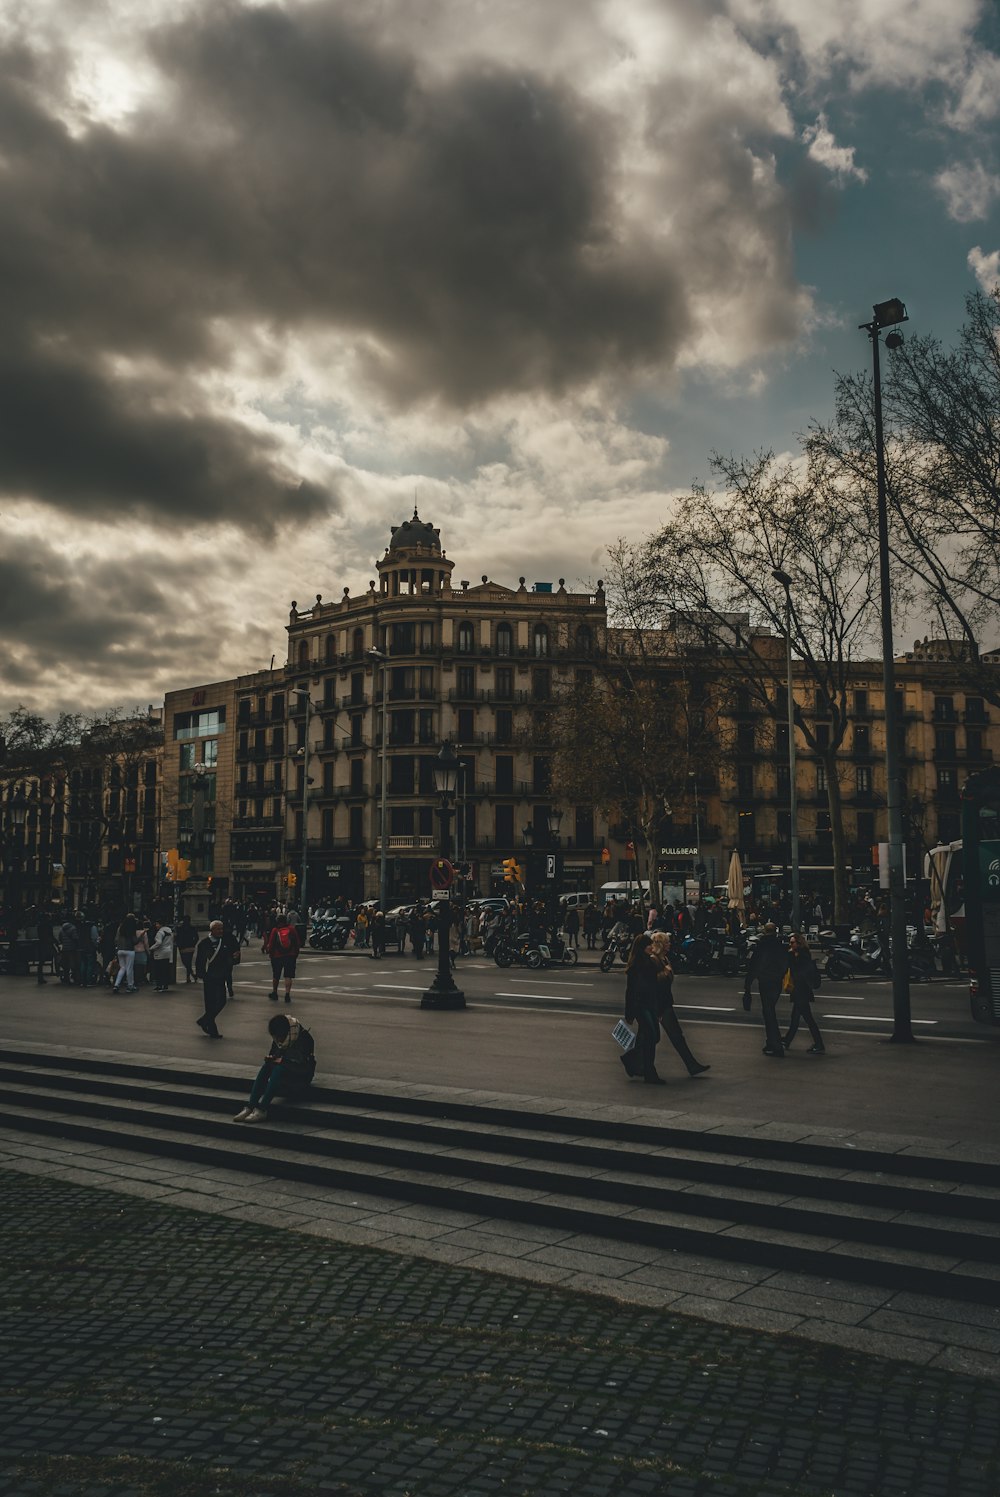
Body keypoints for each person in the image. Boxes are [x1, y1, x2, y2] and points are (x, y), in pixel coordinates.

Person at [233, 1013, 317, 1124]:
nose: (278, 1041)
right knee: (267, 1067)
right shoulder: (280, 1036)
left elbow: (305, 1068)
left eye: (279, 1038)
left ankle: (262, 1109)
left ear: (286, 1033)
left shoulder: (305, 1038)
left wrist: (283, 1061)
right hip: (283, 1074)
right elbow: (275, 1054)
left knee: (279, 1068)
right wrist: (272, 1058)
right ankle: (250, 1106)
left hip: (301, 1078)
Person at [650, 931, 710, 1079]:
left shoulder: (664, 958)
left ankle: (692, 1065)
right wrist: (665, 973)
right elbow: (652, 981)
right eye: (667, 942)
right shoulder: (654, 960)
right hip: (660, 1005)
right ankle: (691, 1065)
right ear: (661, 945)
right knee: (671, 1036)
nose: (669, 944)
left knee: (664, 1037)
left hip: (664, 1002)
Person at [621, 933, 664, 1083]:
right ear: (642, 948)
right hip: (641, 1005)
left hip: (649, 1003)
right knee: (651, 1036)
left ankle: (632, 1059)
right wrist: (629, 1012)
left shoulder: (650, 962)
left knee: (652, 1037)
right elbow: (630, 990)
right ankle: (649, 1072)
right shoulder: (637, 965)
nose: (651, 947)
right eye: (648, 946)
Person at [743, 922, 786, 1057]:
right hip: (776, 981)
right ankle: (771, 1041)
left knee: (768, 1012)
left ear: (765, 931)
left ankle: (776, 1044)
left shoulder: (761, 946)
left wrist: (748, 985)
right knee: (770, 1010)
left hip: (765, 981)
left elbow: (754, 966)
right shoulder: (780, 945)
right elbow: (785, 963)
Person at [195, 919, 240, 1038]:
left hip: (221, 976)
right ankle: (212, 1028)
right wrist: (202, 975)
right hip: (209, 977)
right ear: (212, 930)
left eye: (221, 928)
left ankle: (204, 1020)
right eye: (218, 929)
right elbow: (200, 961)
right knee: (210, 1003)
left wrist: (234, 958)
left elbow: (228, 959)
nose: (221, 931)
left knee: (222, 1001)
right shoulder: (204, 943)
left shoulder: (224, 942)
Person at [782, 931, 826, 1054]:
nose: (790, 945)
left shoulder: (803, 956)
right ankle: (787, 1040)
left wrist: (791, 956)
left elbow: (800, 973)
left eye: (792, 943)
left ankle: (819, 1043)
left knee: (807, 1019)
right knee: (795, 1018)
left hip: (802, 991)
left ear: (798, 943)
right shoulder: (794, 955)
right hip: (799, 991)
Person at [264, 913, 301, 1003]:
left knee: (276, 975)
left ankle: (275, 992)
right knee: (288, 976)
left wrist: (271, 954)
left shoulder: (275, 930)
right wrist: (295, 954)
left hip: (277, 956)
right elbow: (297, 942)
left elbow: (271, 944)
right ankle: (287, 994)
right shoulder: (292, 929)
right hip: (290, 956)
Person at [114, 913, 138, 994]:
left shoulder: (120, 928)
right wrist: (141, 936)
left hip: (120, 950)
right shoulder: (131, 928)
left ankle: (116, 985)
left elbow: (116, 939)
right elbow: (135, 941)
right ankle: (130, 985)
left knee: (122, 968)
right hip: (129, 950)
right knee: (129, 968)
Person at [151, 920, 174, 993]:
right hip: (168, 951)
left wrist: (151, 948)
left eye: (157, 924)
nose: (156, 925)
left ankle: (159, 985)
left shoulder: (160, 932)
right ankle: (165, 985)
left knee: (159, 969)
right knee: (165, 969)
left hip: (160, 952)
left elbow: (158, 943)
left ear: (161, 924)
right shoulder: (169, 931)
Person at [176, 915, 198, 983]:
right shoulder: (192, 928)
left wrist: (178, 944)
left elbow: (177, 937)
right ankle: (190, 975)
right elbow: (196, 937)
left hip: (183, 947)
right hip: (190, 946)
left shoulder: (180, 928)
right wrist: (193, 943)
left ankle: (190, 976)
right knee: (188, 962)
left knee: (185, 962)